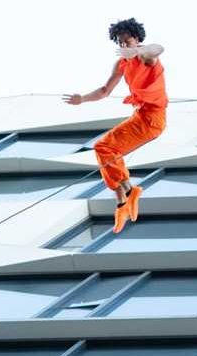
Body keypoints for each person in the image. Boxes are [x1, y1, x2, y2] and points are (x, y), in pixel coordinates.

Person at [62, 18, 168, 233]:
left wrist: (138, 50)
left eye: (126, 41)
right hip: (141, 116)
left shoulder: (146, 57)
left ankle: (129, 192)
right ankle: (122, 202)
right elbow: (104, 91)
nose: (122, 46)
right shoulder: (121, 63)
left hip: (152, 119)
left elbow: (159, 48)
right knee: (104, 149)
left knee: (105, 148)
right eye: (119, 43)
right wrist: (81, 99)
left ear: (136, 38)